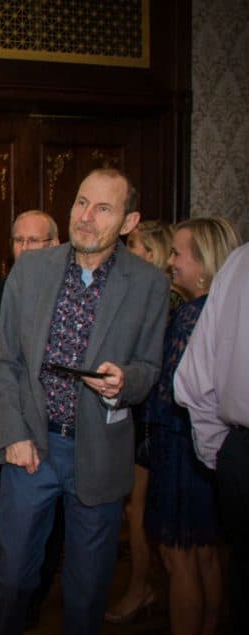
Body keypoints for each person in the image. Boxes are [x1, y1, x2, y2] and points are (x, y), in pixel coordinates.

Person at [0, 168, 170, 635]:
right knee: (12, 576)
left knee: (88, 591)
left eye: (103, 208)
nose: (86, 217)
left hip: (100, 453)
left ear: (129, 222)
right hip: (32, 447)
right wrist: (13, 434)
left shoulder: (149, 284)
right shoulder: (31, 270)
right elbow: (3, 361)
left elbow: (149, 368)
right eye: (81, 203)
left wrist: (125, 381)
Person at [143, 217, 240, 635]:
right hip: (209, 450)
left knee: (178, 556)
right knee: (206, 554)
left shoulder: (190, 316)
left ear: (203, 265)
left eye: (177, 254)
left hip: (182, 449)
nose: (169, 262)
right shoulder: (219, 311)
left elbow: (173, 393)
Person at [0, 210, 62, 629]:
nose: (25, 249)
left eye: (34, 241)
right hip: (1, 415)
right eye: (18, 241)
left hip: (48, 427)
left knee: (50, 519)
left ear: (54, 245)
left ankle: (35, 591)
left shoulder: (67, 295)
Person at [175, 241, 249, 634]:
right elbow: (195, 380)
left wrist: (218, 453)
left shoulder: (239, 262)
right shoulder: (239, 262)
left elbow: (193, 380)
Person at [104, 219, 176, 624]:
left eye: (131, 245)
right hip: (142, 410)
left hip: (152, 415)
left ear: (151, 253)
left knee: (139, 508)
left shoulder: (163, 298)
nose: (126, 253)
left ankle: (142, 587)